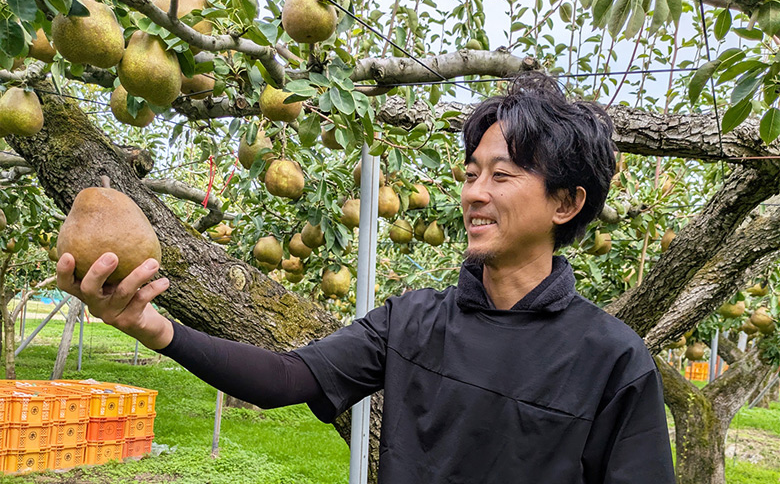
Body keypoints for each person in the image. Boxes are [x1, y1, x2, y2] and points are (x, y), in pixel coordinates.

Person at [56, 72, 675, 483]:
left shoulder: (612, 361)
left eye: (502, 175)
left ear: (565, 203)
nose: (474, 194)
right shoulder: (413, 321)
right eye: (469, 174)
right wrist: (155, 329)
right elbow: (286, 377)